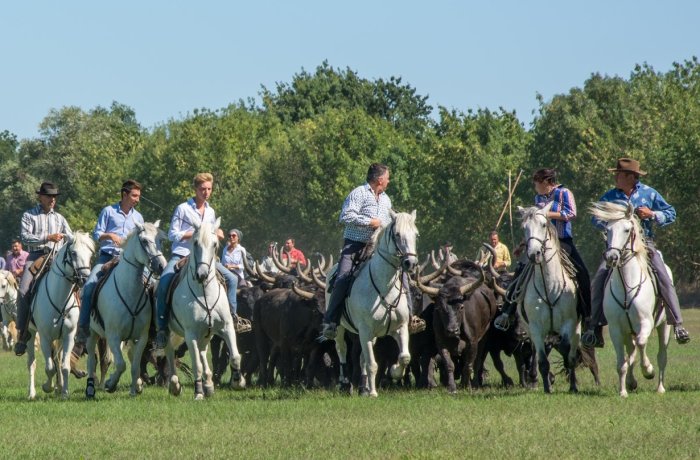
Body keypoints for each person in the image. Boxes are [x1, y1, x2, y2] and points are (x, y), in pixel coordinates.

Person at [582, 158, 690, 347]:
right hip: (616, 246)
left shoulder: (649, 193)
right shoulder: (609, 196)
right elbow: (594, 219)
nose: (615, 177)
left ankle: (678, 325)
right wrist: (608, 222)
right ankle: (593, 328)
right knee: (599, 278)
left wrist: (653, 214)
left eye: (619, 174)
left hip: (645, 245)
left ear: (631, 177)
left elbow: (671, 213)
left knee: (663, 276)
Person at [321, 163, 424, 340]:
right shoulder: (358, 193)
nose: (389, 181)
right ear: (379, 179)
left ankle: (410, 317)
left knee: (403, 275)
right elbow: (345, 216)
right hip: (354, 245)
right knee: (342, 277)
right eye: (387, 178)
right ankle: (331, 322)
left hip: (379, 248)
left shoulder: (386, 199)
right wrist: (370, 222)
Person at [155, 173, 249, 350]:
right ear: (195, 189)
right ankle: (161, 329)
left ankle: (233, 317)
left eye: (209, 189)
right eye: (202, 189)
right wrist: (196, 234)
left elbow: (211, 235)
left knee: (232, 278)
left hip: (206, 258)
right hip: (182, 254)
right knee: (164, 281)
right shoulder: (182, 209)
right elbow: (172, 234)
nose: (206, 192)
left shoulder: (211, 211)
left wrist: (216, 233)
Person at [494, 169, 592, 336]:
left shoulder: (564, 193)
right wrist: (523, 244)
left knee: (583, 274)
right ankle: (507, 312)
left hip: (562, 241)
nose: (535, 187)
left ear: (546, 182)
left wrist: (546, 213)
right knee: (519, 272)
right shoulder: (538, 198)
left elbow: (571, 213)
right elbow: (534, 225)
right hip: (538, 243)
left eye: (537, 183)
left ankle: (588, 318)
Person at [74, 180, 144, 351]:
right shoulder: (109, 211)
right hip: (107, 257)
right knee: (89, 287)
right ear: (124, 194)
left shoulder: (138, 217)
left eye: (138, 196)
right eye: (134, 196)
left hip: (130, 261)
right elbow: (97, 233)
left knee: (151, 285)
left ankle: (152, 329)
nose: (137, 199)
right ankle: (83, 328)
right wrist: (110, 236)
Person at [14, 182, 73, 356]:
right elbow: (25, 238)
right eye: (49, 196)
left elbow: (69, 236)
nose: (52, 199)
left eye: (54, 197)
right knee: (24, 290)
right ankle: (23, 333)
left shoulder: (60, 218)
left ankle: (78, 329)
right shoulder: (29, 215)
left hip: (57, 258)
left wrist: (72, 239)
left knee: (77, 284)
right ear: (40, 197)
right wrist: (48, 237)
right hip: (36, 257)